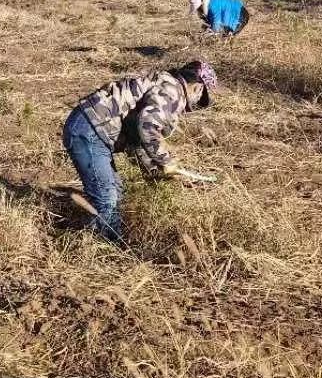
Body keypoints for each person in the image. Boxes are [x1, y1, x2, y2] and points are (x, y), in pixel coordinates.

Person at [61, 60, 217, 242]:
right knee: (107, 198)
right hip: (89, 131)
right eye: (202, 96)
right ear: (198, 88)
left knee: (116, 193)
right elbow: (147, 126)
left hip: (89, 127)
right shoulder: (173, 92)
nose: (198, 101)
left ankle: (96, 238)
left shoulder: (164, 84)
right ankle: (101, 249)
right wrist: (166, 161)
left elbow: (136, 137)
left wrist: (155, 171)